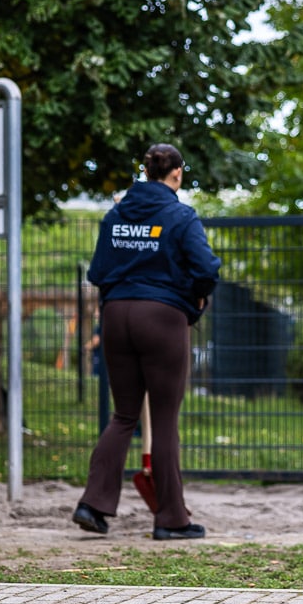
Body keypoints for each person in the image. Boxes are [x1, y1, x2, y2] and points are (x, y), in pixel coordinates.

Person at [73, 143, 220, 540]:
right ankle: (171, 520)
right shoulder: (180, 215)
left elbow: (99, 271)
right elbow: (206, 267)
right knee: (165, 419)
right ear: (177, 174)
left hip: (117, 316)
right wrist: (195, 296)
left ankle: (92, 504)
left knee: (123, 415)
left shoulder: (116, 214)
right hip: (162, 318)